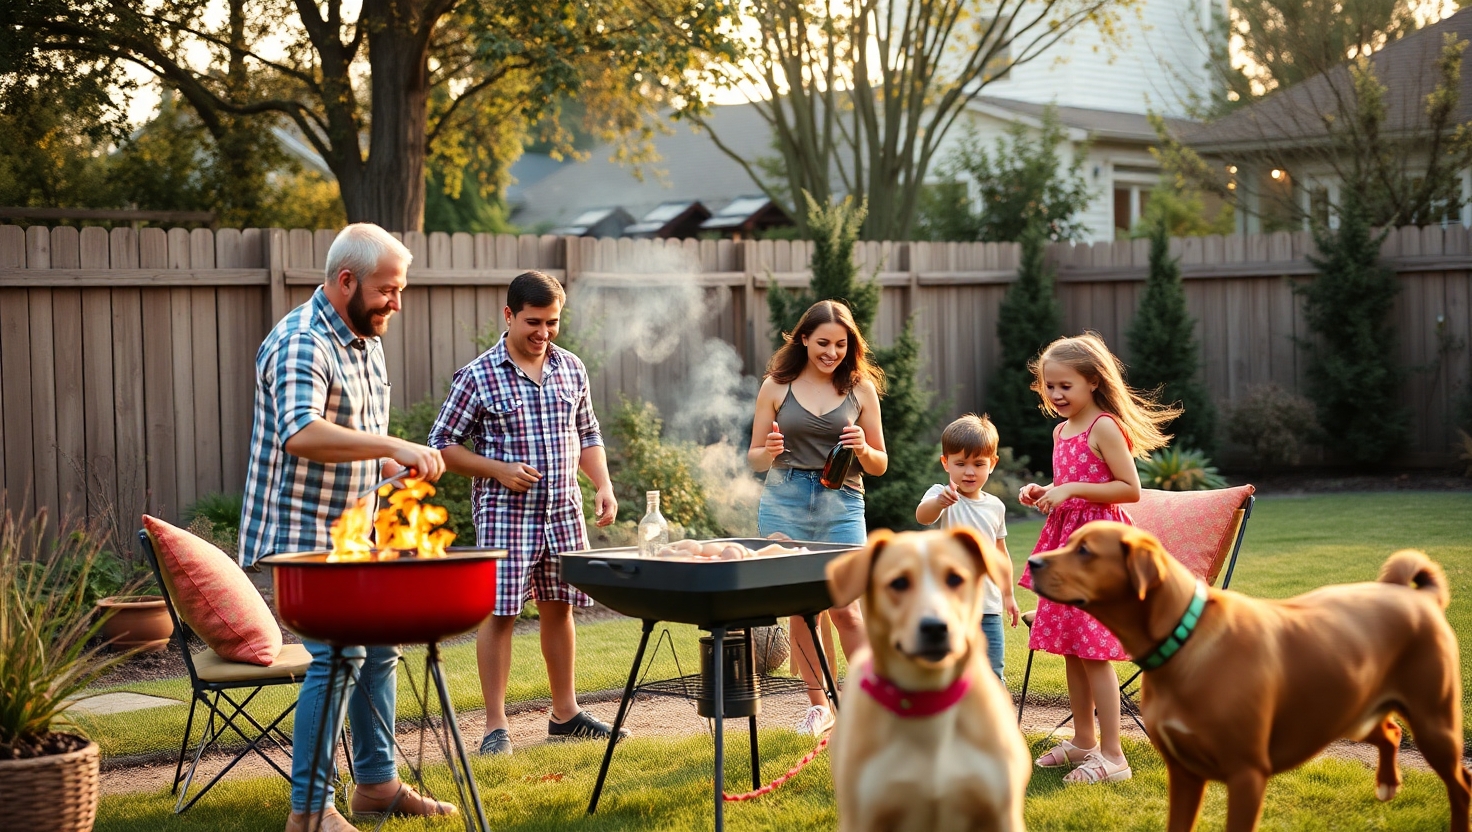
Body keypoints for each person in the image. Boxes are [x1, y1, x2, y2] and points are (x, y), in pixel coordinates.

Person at [238, 223, 455, 832]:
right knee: (338, 655)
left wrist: (391, 464)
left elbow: (351, 439)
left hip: (353, 531)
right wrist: (394, 442)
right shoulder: (302, 342)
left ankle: (377, 785)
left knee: (378, 646)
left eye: (400, 289)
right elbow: (302, 434)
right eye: (388, 289)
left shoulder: (364, 336)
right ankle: (309, 813)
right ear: (345, 280)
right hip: (300, 533)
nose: (397, 302)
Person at [428, 270, 622, 757]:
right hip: (505, 515)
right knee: (500, 613)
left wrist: (603, 483)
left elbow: (589, 434)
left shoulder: (571, 368)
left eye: (553, 323)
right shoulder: (477, 375)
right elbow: (441, 446)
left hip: (563, 511)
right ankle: (496, 727)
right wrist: (497, 469)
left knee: (560, 609)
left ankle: (566, 713)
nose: (543, 333)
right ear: (509, 315)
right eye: (533, 322)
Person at [1016, 332, 1180, 786]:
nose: (1055, 395)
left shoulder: (1104, 426)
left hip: (1099, 555)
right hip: (1069, 548)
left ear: (1091, 381)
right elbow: (1068, 484)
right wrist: (1045, 493)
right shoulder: (1060, 431)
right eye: (1049, 386)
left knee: (1093, 651)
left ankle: (1114, 757)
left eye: (1065, 386)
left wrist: (1072, 490)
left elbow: (1130, 488)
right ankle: (1084, 741)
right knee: (1071, 646)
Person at [747, 299, 887, 736]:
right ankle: (818, 705)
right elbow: (753, 460)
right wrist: (766, 453)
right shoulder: (775, 387)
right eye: (823, 342)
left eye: (841, 345)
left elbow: (881, 463)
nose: (831, 352)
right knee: (804, 609)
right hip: (784, 500)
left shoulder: (860, 389)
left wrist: (863, 448)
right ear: (804, 338)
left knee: (845, 608)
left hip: (842, 501)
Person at [914, 413, 1020, 682]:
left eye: (978, 463)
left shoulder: (996, 506)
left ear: (992, 464)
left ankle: (992, 723)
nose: (969, 472)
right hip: (949, 606)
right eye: (960, 463)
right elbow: (923, 516)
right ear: (945, 463)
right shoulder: (941, 494)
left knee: (992, 673)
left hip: (988, 606)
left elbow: (1000, 554)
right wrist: (939, 502)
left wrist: (1008, 595)